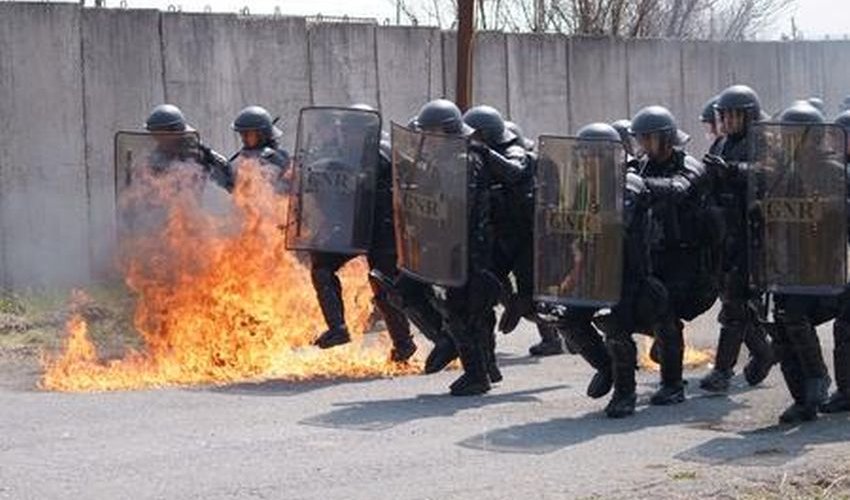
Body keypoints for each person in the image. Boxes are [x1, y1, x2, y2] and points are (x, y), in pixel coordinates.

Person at [301, 105, 417, 363]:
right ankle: (338, 328)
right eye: (345, 130)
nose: (347, 135)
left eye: (352, 131)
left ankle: (404, 343)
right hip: (352, 228)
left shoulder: (386, 154)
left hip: (383, 231)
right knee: (322, 267)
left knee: (383, 285)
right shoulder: (345, 153)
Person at [629, 105, 719, 406]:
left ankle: (672, 385)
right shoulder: (641, 166)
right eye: (639, 139)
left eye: (647, 139)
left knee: (666, 316)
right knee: (635, 311)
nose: (642, 145)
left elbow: (679, 188)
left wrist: (639, 186)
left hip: (687, 259)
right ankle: (662, 352)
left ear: (664, 139)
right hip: (653, 254)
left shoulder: (689, 165)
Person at [700, 85, 776, 393]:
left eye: (734, 115)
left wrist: (735, 171)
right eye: (725, 115)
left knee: (735, 306)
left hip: (752, 236)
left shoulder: (763, 143)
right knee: (735, 304)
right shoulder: (720, 144)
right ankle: (765, 352)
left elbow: (769, 173)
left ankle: (722, 370)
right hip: (723, 234)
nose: (728, 121)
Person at [224, 105, 290, 192]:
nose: (243, 139)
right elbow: (230, 181)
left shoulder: (277, 157)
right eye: (242, 134)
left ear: (261, 134)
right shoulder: (245, 156)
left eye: (247, 134)